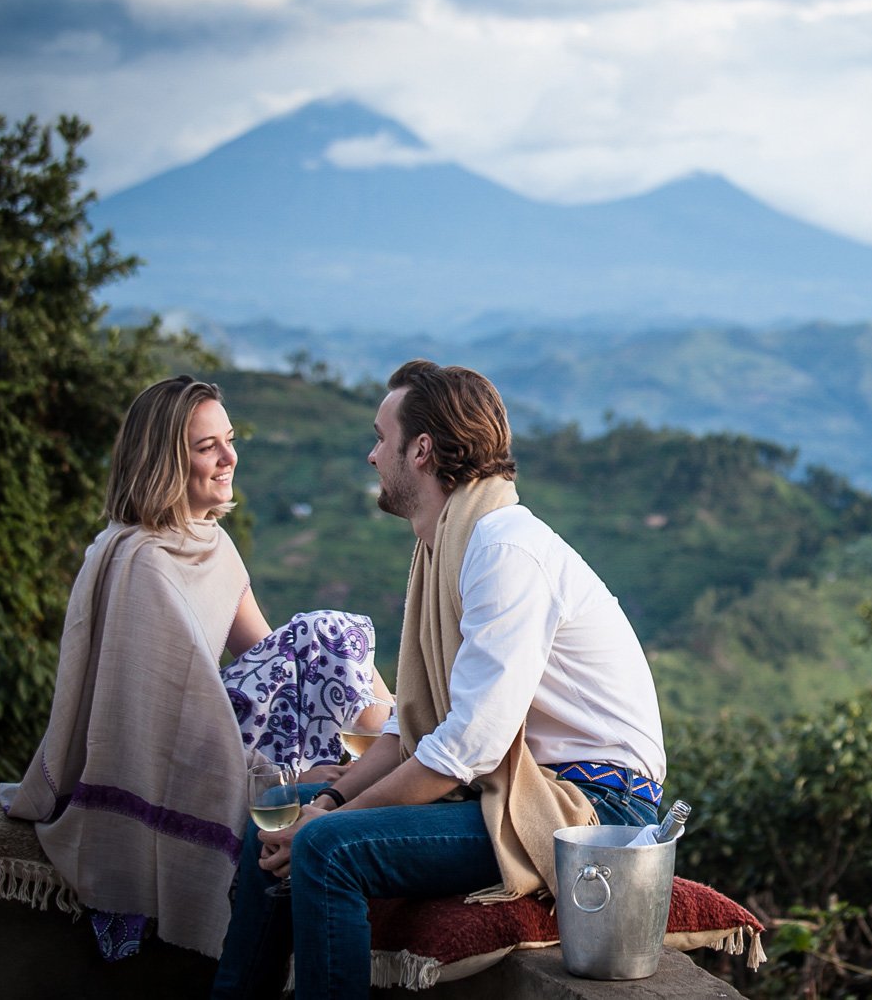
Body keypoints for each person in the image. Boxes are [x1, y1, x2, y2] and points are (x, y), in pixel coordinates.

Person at [211, 360, 667, 999]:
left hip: (591, 808)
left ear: (420, 450)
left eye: (380, 437)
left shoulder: (505, 550)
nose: (372, 455)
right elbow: (409, 728)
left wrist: (330, 822)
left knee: (326, 852)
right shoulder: (446, 547)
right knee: (284, 823)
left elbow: (467, 746)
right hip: (512, 787)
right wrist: (326, 803)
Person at [3, 376, 386, 962]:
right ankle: (391, 766)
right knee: (326, 631)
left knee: (326, 636)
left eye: (229, 440)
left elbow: (270, 650)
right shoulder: (141, 560)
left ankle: (390, 755)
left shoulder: (209, 540)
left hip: (223, 720)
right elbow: (159, 714)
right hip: (187, 748)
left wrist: (335, 668)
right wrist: (266, 770)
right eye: (208, 447)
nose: (230, 457)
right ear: (164, 461)